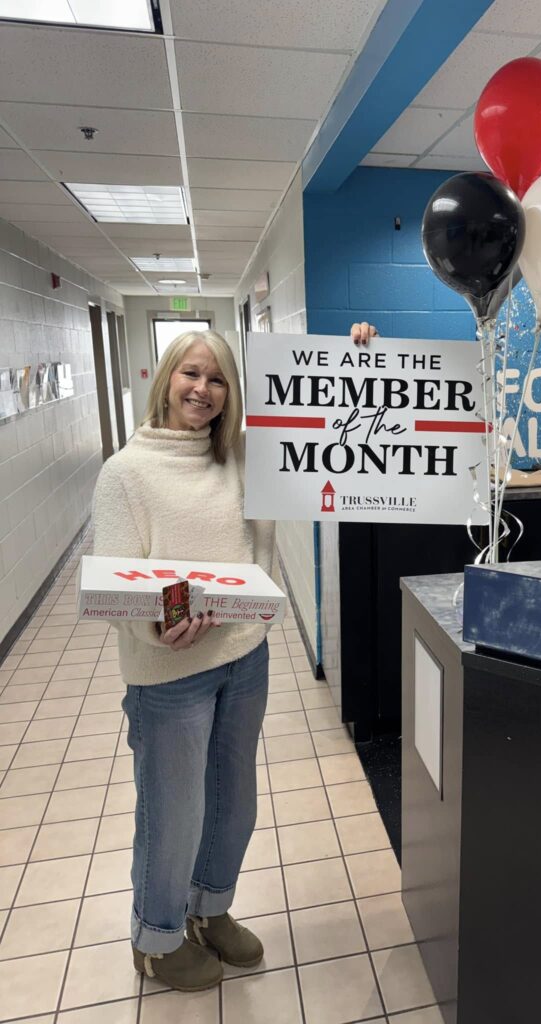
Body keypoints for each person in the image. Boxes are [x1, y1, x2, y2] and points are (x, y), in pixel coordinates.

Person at [91, 321, 377, 992]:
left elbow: (330, 422)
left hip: (245, 658)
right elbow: (113, 584)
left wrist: (356, 359)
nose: (203, 388)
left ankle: (208, 910)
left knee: (232, 803)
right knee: (173, 813)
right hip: (170, 675)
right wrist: (160, 628)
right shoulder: (125, 473)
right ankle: (156, 940)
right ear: (166, 380)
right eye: (191, 373)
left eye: (217, 378)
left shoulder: (246, 454)